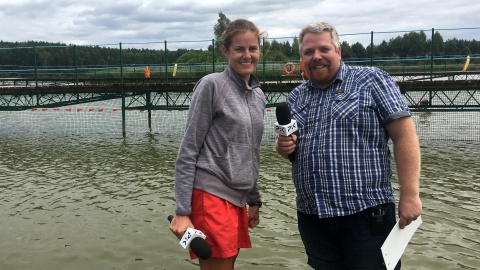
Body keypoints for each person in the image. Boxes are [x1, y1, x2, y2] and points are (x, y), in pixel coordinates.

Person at [275, 22, 422, 270]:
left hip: (366, 215)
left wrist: (410, 194)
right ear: (302, 58)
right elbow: (290, 146)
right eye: (308, 52)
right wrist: (283, 147)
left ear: (338, 51)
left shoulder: (372, 80)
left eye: (324, 49)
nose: (316, 57)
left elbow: (404, 136)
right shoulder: (296, 96)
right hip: (313, 217)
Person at [170, 19, 266, 270]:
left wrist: (254, 200)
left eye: (253, 48)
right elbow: (189, 149)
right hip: (210, 196)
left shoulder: (258, 94)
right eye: (239, 49)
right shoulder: (212, 85)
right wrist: (182, 210)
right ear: (225, 51)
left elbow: (251, 151)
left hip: (237, 201)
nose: (247, 55)